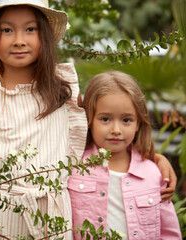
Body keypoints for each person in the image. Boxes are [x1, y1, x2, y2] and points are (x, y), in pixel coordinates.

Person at [0, 1, 177, 239]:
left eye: (30, 29)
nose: (19, 40)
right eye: (7, 30)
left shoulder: (64, 92)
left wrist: (154, 159)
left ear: (45, 35)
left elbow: (98, 141)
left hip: (54, 226)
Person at [68, 71, 181, 239]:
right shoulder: (73, 167)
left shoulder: (153, 174)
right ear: (89, 119)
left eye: (126, 120)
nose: (116, 130)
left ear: (138, 123)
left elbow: (169, 233)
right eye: (105, 119)